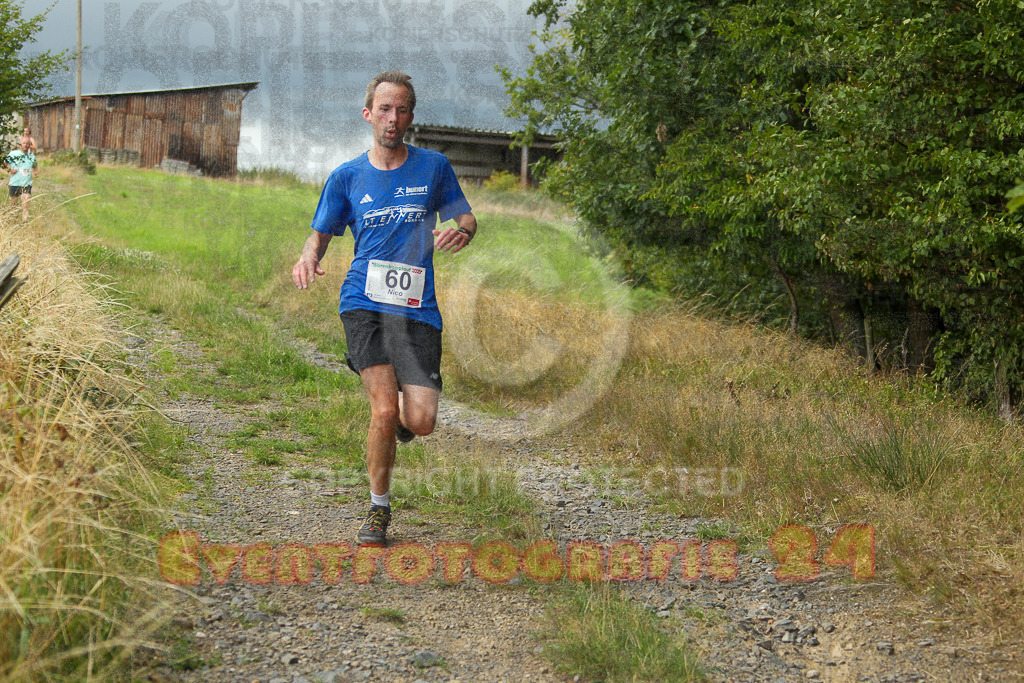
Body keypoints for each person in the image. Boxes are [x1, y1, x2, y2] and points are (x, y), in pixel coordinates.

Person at [292, 70, 477, 547]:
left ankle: (401, 421)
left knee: (422, 422)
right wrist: (309, 257)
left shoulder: (434, 167)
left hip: (417, 307)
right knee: (382, 408)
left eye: (402, 110)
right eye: (384, 109)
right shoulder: (347, 176)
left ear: (411, 117)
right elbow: (321, 234)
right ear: (368, 114)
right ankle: (378, 510)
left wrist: (463, 230)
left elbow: (465, 215)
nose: (393, 118)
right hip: (364, 301)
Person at [7, 137, 38, 220]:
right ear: (20, 144)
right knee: (13, 205)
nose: (25, 145)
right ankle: (13, 221)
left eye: (27, 144)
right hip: (14, 183)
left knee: (26, 203)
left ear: (30, 145)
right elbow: (5, 163)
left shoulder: (31, 156)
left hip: (26, 184)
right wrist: (9, 170)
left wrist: (35, 172)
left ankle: (25, 222)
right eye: (24, 143)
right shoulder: (13, 154)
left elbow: (35, 165)